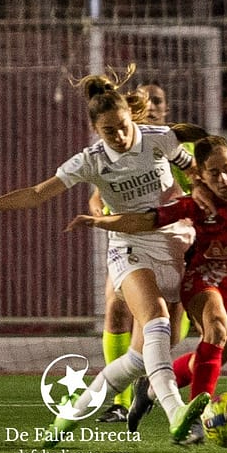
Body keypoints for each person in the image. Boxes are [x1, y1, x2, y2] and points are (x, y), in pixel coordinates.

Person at [0, 65, 210, 446]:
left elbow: (199, 174)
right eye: (108, 131)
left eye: (122, 126)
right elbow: (37, 194)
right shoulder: (90, 161)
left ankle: (68, 417)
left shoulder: (160, 139)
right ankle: (177, 415)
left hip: (175, 243)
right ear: (95, 131)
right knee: (156, 322)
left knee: (138, 360)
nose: (119, 136)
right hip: (129, 248)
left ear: (129, 116)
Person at [68, 136, 227, 437]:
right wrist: (103, 222)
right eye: (213, 173)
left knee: (215, 354)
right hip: (204, 278)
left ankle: (149, 391)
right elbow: (151, 219)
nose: (224, 179)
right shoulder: (195, 202)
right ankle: (195, 421)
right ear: (200, 175)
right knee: (216, 328)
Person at [88, 82, 193, 424]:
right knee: (116, 307)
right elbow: (94, 193)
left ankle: (146, 387)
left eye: (158, 100)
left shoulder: (176, 144)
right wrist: (100, 214)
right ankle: (118, 401)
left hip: (176, 243)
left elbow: (200, 183)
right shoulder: (111, 149)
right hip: (130, 238)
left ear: (166, 106)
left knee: (168, 332)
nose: (152, 107)